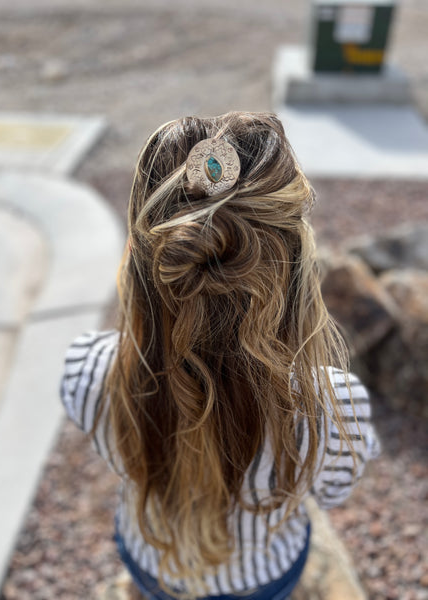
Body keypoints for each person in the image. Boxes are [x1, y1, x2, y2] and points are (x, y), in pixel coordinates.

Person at [60, 112, 380, 600]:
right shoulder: (333, 407)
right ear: (294, 268)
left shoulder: (88, 371)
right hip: (263, 579)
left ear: (145, 261)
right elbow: (333, 492)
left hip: (153, 568)